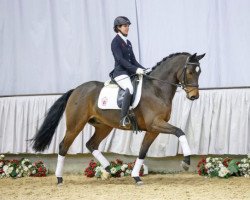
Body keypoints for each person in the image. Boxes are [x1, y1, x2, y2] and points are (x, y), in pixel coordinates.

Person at [110, 16, 146, 127]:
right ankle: (123, 118)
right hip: (120, 73)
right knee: (129, 88)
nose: (127, 28)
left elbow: (133, 60)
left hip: (130, 72)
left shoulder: (128, 42)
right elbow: (120, 60)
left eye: (128, 26)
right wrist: (136, 70)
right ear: (118, 27)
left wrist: (143, 69)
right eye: (125, 26)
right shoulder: (115, 42)